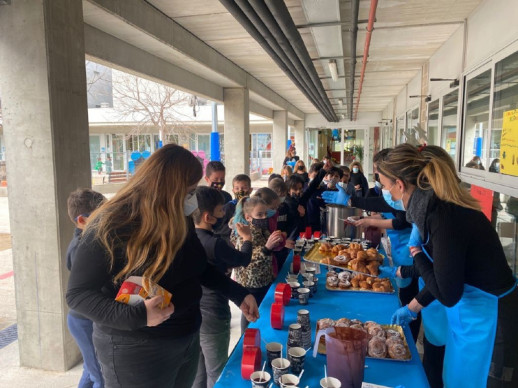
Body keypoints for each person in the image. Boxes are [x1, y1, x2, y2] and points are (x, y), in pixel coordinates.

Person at [66, 144, 259, 388]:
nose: (193, 199)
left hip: (186, 337)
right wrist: (137, 315)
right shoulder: (110, 224)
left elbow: (197, 267)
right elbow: (78, 295)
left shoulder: (178, 216)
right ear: (165, 189)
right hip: (136, 349)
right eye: (189, 191)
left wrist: (238, 293)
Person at [377, 143, 518, 388]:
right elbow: (445, 273)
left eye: (384, 185)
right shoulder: (431, 210)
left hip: (491, 321)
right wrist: (412, 307)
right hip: (469, 315)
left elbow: (447, 292)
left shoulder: (443, 216)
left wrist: (416, 253)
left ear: (399, 185)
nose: (384, 192)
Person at [192, 187, 253, 388]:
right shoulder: (214, 243)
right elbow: (243, 259)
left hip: (192, 314)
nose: (224, 214)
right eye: (220, 211)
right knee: (217, 371)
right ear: (208, 217)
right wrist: (247, 238)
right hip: (213, 313)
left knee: (197, 372)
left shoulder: (188, 239)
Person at [66, 188, 106, 388]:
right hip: (84, 320)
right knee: (100, 375)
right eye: (101, 217)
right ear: (82, 221)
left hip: (84, 318)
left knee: (90, 370)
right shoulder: (82, 248)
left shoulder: (88, 241)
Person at [231, 196, 284, 332]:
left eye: (266, 214)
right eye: (259, 215)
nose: (264, 217)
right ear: (248, 217)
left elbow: (269, 253)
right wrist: (266, 248)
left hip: (264, 280)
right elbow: (247, 262)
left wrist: (277, 243)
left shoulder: (262, 230)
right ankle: (245, 339)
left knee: (261, 313)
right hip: (251, 284)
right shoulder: (244, 233)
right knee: (250, 315)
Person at [213, 174, 253, 240]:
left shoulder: (254, 205)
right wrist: (234, 227)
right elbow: (218, 228)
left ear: (250, 190)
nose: (240, 191)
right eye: (237, 188)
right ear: (233, 191)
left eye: (244, 188)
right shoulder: (229, 207)